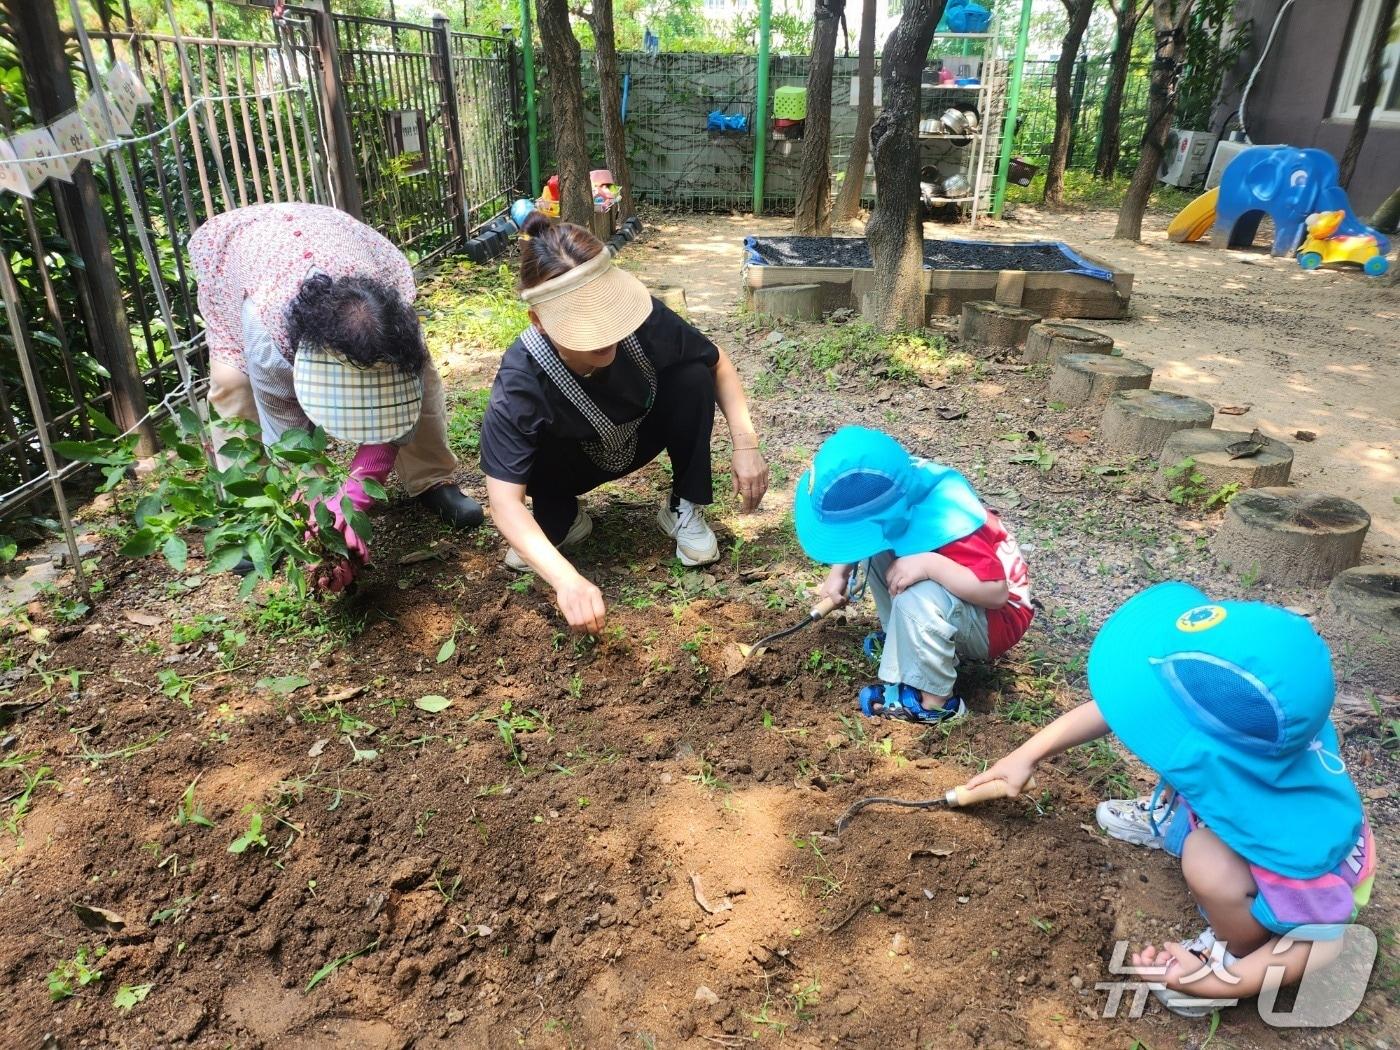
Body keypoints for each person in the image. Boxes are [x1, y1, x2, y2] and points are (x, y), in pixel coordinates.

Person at [963, 583, 1376, 1016]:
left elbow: (1321, 941)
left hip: (1306, 885)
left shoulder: (1295, 849)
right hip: (1243, 803)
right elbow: (1119, 706)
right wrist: (1025, 756)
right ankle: (1183, 818)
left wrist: (1225, 981)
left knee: (1206, 861)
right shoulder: (1261, 737)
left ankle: (1233, 948)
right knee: (1196, 792)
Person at [479, 212, 768, 634]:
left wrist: (746, 445)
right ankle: (560, 517)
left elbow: (717, 362)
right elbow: (503, 501)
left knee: (692, 376)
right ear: (540, 322)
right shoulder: (522, 378)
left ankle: (682, 506)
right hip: (568, 463)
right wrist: (566, 581)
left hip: (637, 433)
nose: (603, 334)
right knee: (541, 535)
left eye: (606, 314)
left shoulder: (642, 319)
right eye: (581, 325)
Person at [189, 203, 483, 590]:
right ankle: (254, 512)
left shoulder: (391, 316)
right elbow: (290, 439)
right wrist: (326, 521)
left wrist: (355, 495)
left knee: (422, 379)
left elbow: (397, 412)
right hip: (244, 258)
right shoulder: (267, 339)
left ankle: (432, 480)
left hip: (336, 237)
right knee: (232, 388)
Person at [794, 426, 1032, 723]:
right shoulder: (895, 486)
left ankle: (935, 702)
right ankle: (906, 641)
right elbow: (869, 532)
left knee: (916, 597)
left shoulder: (947, 519)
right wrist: (840, 570)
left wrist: (928, 565)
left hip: (995, 619)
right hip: (967, 594)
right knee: (881, 552)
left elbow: (996, 593)